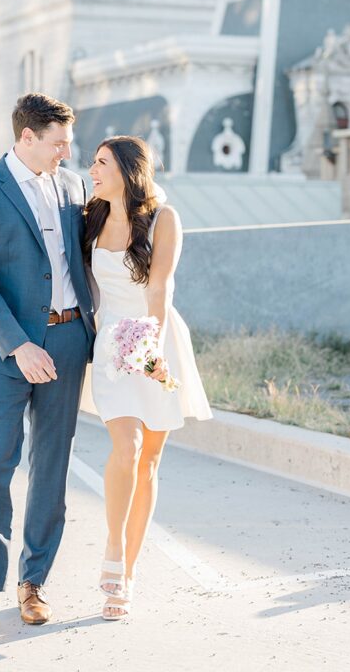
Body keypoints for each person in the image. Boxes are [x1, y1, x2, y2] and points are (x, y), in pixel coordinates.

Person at [0, 93, 95, 636]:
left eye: (68, 143)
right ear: (27, 137)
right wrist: (17, 345)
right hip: (7, 350)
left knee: (52, 468)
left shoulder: (74, 186)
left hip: (68, 341)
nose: (65, 152)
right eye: (57, 142)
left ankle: (34, 583)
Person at [86, 136, 212, 620]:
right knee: (127, 447)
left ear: (126, 169)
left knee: (150, 461)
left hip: (155, 340)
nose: (91, 170)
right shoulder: (89, 218)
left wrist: (154, 349)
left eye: (100, 163)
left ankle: (130, 575)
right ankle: (113, 549)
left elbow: (160, 284)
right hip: (111, 344)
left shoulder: (164, 219)